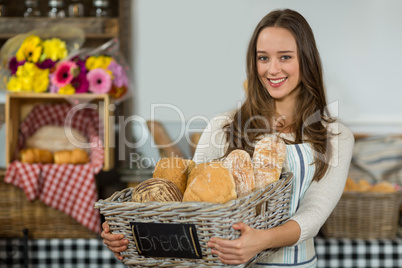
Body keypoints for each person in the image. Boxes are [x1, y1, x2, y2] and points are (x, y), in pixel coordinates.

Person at [101, 8, 354, 267]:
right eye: (263, 58)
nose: (272, 69)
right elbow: (188, 204)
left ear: (307, 60)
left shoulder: (336, 137)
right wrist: (132, 231)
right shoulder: (225, 125)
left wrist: (262, 240)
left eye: (285, 57)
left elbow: (314, 213)